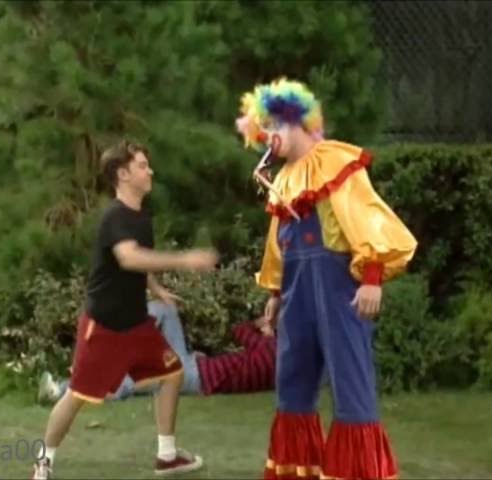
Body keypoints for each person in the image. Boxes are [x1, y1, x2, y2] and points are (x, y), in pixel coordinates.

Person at [235, 78, 418, 480]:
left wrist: (372, 276)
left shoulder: (335, 162)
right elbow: (278, 241)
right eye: (264, 132)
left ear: (297, 120)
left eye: (275, 127)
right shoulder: (283, 179)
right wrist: (275, 291)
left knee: (350, 383)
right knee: (292, 382)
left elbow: (368, 218)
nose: (270, 138)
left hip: (338, 287)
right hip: (297, 290)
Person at [31, 140, 218, 479]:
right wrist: (185, 260)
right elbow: (128, 257)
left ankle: (167, 456)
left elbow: (139, 261)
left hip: (136, 325)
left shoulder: (141, 216)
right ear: (123, 174)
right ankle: (43, 462)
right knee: (76, 395)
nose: (150, 171)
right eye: (142, 166)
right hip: (103, 327)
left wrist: (156, 288)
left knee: (173, 374)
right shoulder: (115, 217)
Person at [37, 300, 277, 403]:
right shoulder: (278, 357)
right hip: (194, 365)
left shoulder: (274, 350)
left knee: (131, 381)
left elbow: (240, 330)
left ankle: (61, 390)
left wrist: (261, 326)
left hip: (194, 377)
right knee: (164, 310)